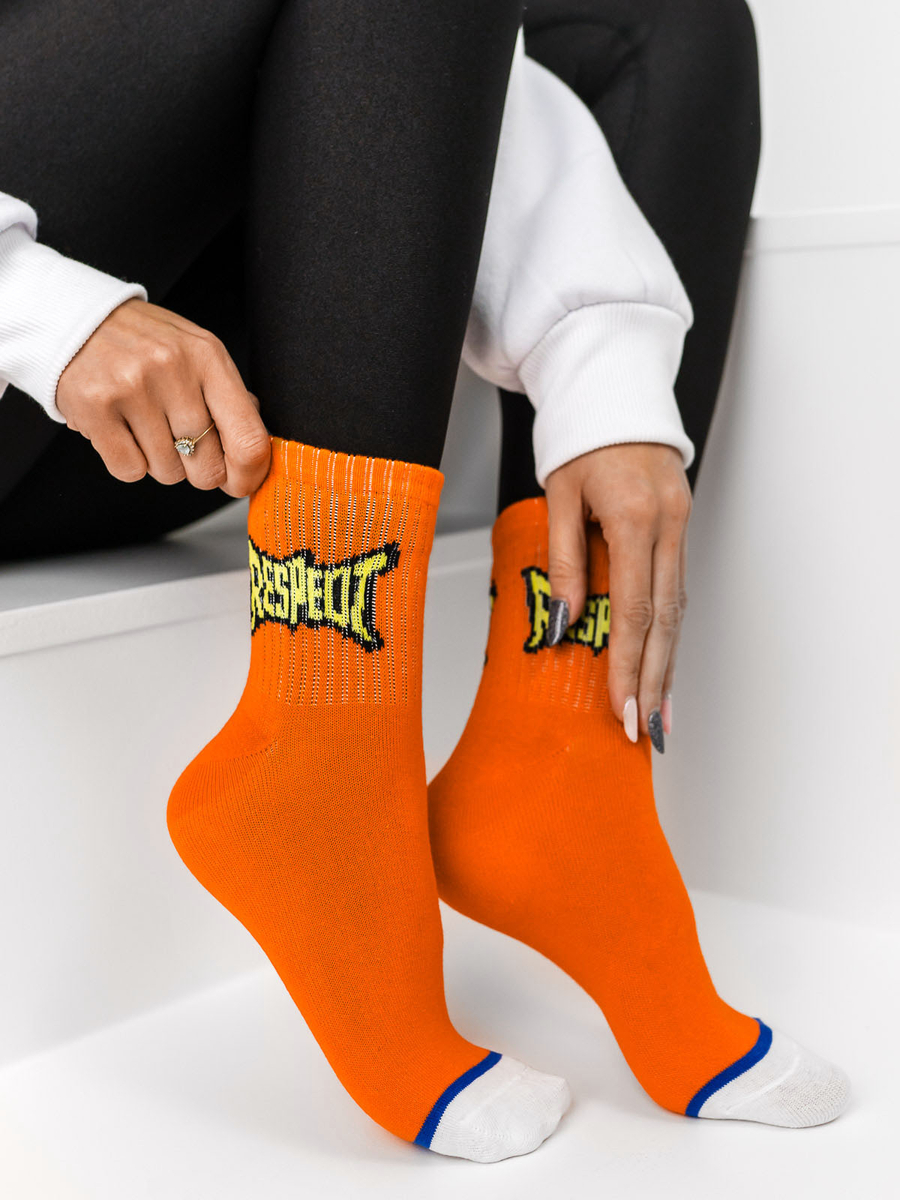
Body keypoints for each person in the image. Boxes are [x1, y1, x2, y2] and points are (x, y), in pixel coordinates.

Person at [0, 0, 849, 1164]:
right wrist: (34, 309)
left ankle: (566, 761)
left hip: (172, 421)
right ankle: (321, 753)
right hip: (39, 361)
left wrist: (604, 366)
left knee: (671, 27)